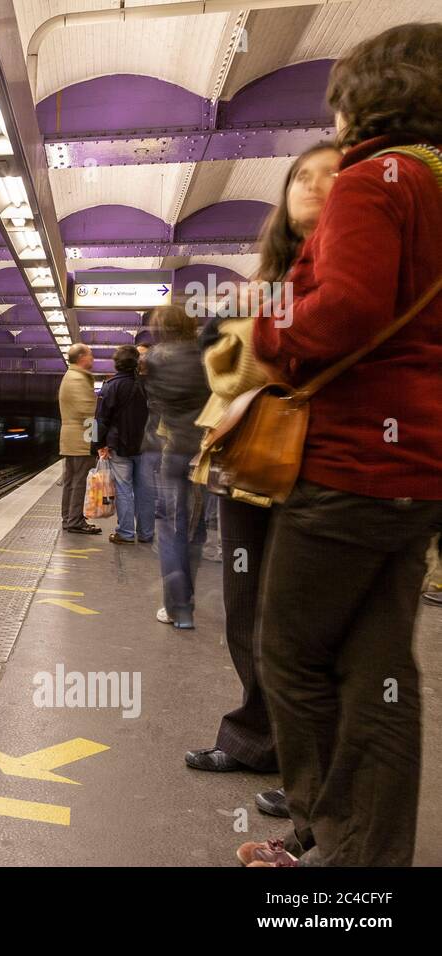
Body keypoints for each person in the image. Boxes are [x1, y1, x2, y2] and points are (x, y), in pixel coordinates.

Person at [242, 22, 442, 868]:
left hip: (355, 460)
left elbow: (349, 309)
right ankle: (366, 863)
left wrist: (268, 326)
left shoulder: (374, 181)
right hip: (420, 467)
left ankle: (330, 843)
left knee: (288, 653)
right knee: (379, 670)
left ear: (371, 95)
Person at [184, 143, 341, 800]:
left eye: (331, 175)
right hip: (251, 458)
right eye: (301, 176)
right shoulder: (276, 273)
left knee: (299, 626)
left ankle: (309, 772)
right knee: (247, 611)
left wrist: (256, 318)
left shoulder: (348, 266)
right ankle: (256, 738)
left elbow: (250, 365)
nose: (313, 185)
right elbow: (224, 366)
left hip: (316, 464)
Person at [143, 306, 210, 629]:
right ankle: (188, 603)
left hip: (171, 451)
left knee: (171, 528)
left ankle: (177, 609)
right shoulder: (204, 352)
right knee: (195, 530)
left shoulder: (155, 358)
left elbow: (155, 405)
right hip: (204, 451)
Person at [92, 346, 151, 544]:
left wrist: (96, 444)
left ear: (116, 364)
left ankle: (125, 533)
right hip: (145, 445)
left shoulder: (110, 386)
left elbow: (100, 419)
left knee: (124, 490)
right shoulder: (147, 385)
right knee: (144, 491)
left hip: (119, 446)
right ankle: (146, 533)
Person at [58, 343, 99, 535]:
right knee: (79, 481)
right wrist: (98, 440)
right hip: (81, 439)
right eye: (91, 355)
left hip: (72, 437)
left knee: (71, 480)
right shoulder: (78, 379)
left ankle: (69, 517)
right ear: (82, 357)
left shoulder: (71, 376)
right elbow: (88, 412)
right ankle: (74, 520)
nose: (93, 359)